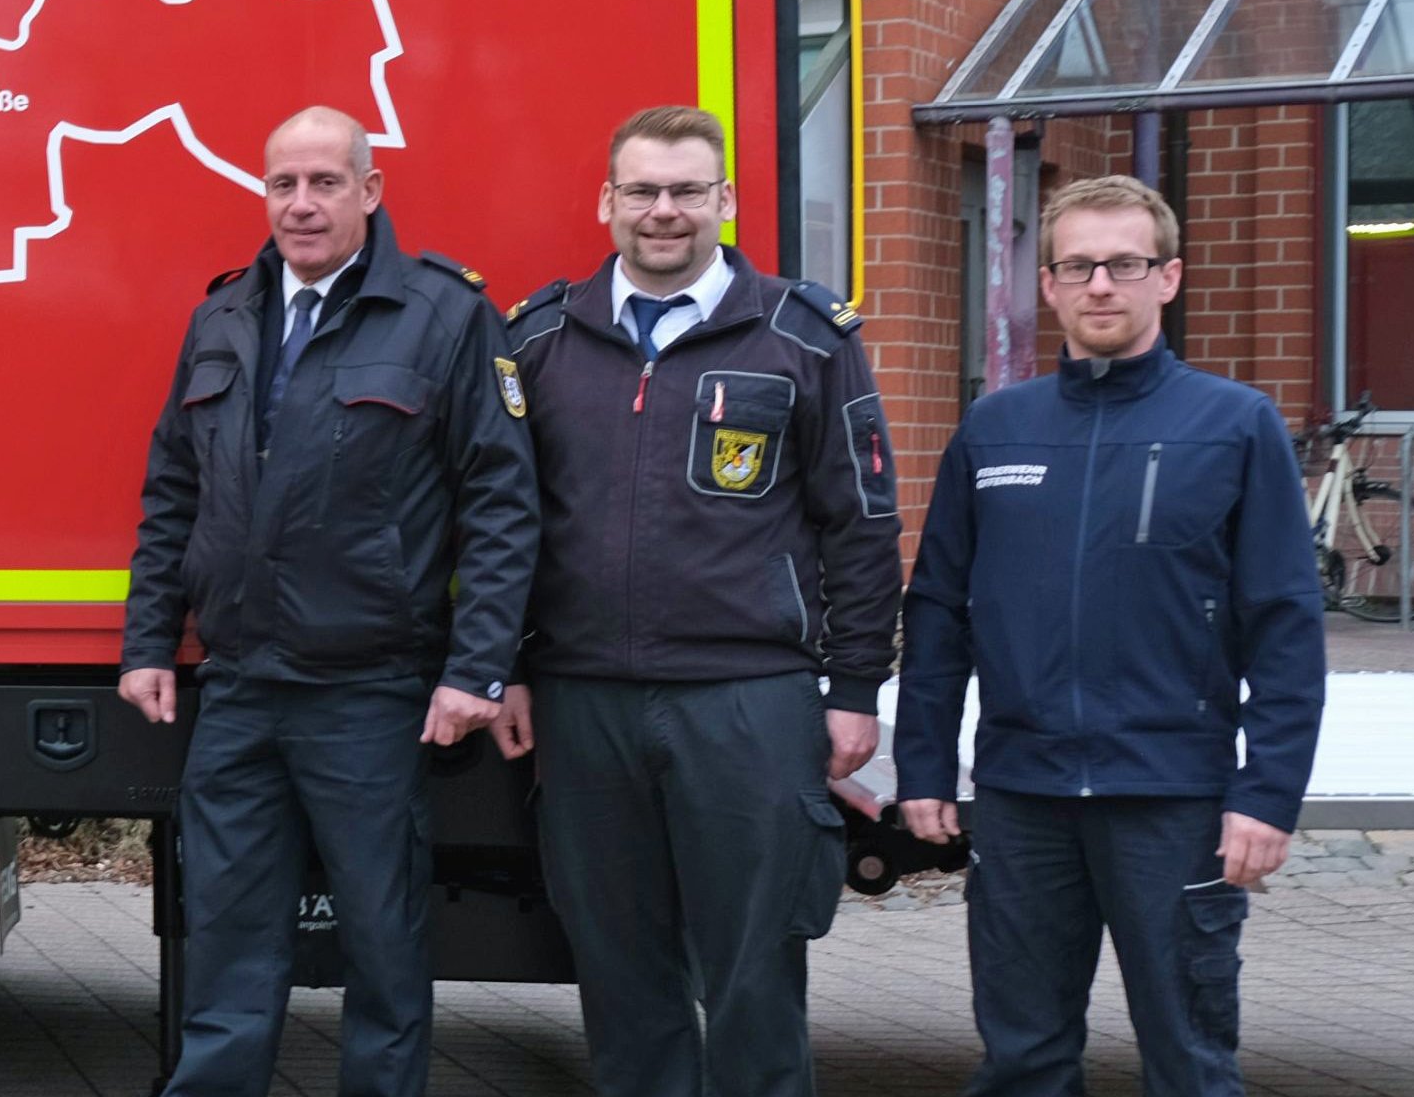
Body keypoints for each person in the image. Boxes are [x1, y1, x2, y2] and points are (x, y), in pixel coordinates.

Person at [117, 105, 535, 1097]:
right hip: (239, 688)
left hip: (369, 692)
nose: (300, 204)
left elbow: (502, 500)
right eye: (283, 184)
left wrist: (477, 668)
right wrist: (148, 642)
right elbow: (174, 488)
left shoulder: (444, 316)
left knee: (383, 945)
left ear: (369, 190)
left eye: (324, 182)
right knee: (227, 940)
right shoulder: (223, 316)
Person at [490, 104, 901, 1097]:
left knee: (754, 975)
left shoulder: (804, 338)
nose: (663, 210)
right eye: (642, 190)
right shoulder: (539, 339)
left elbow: (861, 522)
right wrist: (503, 664)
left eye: (685, 190)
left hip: (746, 700)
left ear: (725, 199)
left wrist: (854, 687)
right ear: (607, 201)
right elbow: (500, 522)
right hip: (585, 701)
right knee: (620, 975)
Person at [895, 175, 1325, 1097]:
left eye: (1124, 264)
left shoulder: (1234, 425)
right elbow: (937, 611)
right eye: (1077, 266)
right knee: (1023, 1061)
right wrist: (923, 766)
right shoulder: (995, 430)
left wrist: (1268, 795)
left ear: (1168, 277)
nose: (1099, 285)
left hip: (1172, 801)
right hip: (1022, 800)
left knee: (1189, 1062)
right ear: (1048, 284)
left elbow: (1286, 624)